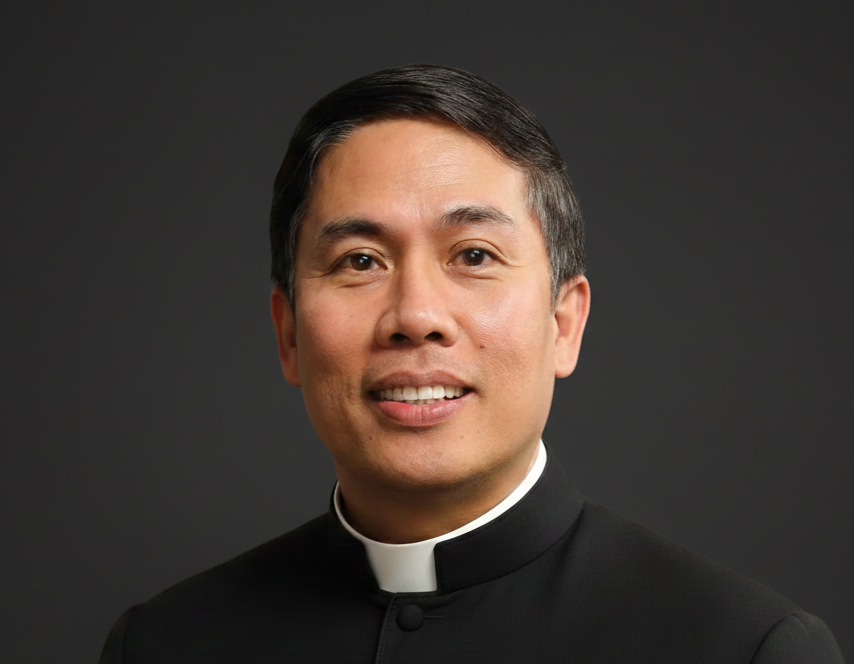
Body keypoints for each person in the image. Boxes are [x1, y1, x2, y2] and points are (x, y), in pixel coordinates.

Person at [99, 64, 844, 663]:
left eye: (475, 256)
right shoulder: (165, 644)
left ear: (565, 322)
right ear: (288, 332)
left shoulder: (741, 647)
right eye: (360, 260)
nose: (416, 316)